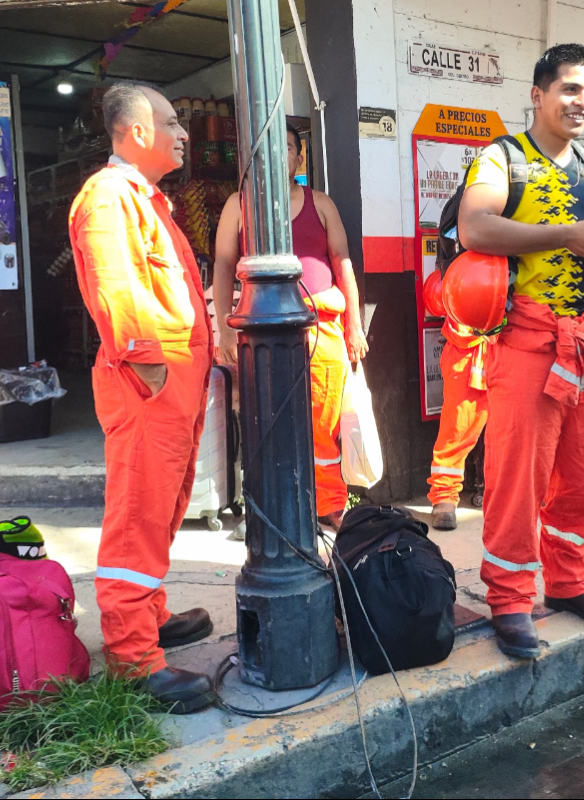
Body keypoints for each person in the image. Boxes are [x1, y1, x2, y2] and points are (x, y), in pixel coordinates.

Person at [457, 43, 584, 660]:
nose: (581, 102)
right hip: (528, 339)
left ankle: (568, 582)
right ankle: (508, 597)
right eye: (569, 90)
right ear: (538, 94)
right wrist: (569, 236)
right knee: (517, 479)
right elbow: (474, 227)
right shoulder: (501, 157)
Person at [69, 81, 216, 712]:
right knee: (137, 514)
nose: (183, 132)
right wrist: (147, 364)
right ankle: (134, 658)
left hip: (171, 385)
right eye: (172, 121)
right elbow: (115, 284)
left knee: (161, 507)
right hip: (148, 384)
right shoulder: (109, 198)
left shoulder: (146, 199)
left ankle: (148, 615)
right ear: (135, 132)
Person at [214, 125, 367, 529]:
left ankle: (330, 503)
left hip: (323, 330)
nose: (278, 157)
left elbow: (343, 264)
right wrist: (225, 329)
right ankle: (270, 505)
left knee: (323, 421)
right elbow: (224, 266)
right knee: (266, 419)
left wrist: (355, 324)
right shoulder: (238, 205)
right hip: (260, 335)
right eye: (267, 150)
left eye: (285, 149)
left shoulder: (322, 205)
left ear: (299, 158)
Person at [426, 312, 490, 531]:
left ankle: (520, 493)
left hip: (515, 341)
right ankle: (444, 494)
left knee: (518, 432)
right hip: (467, 344)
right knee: (456, 430)